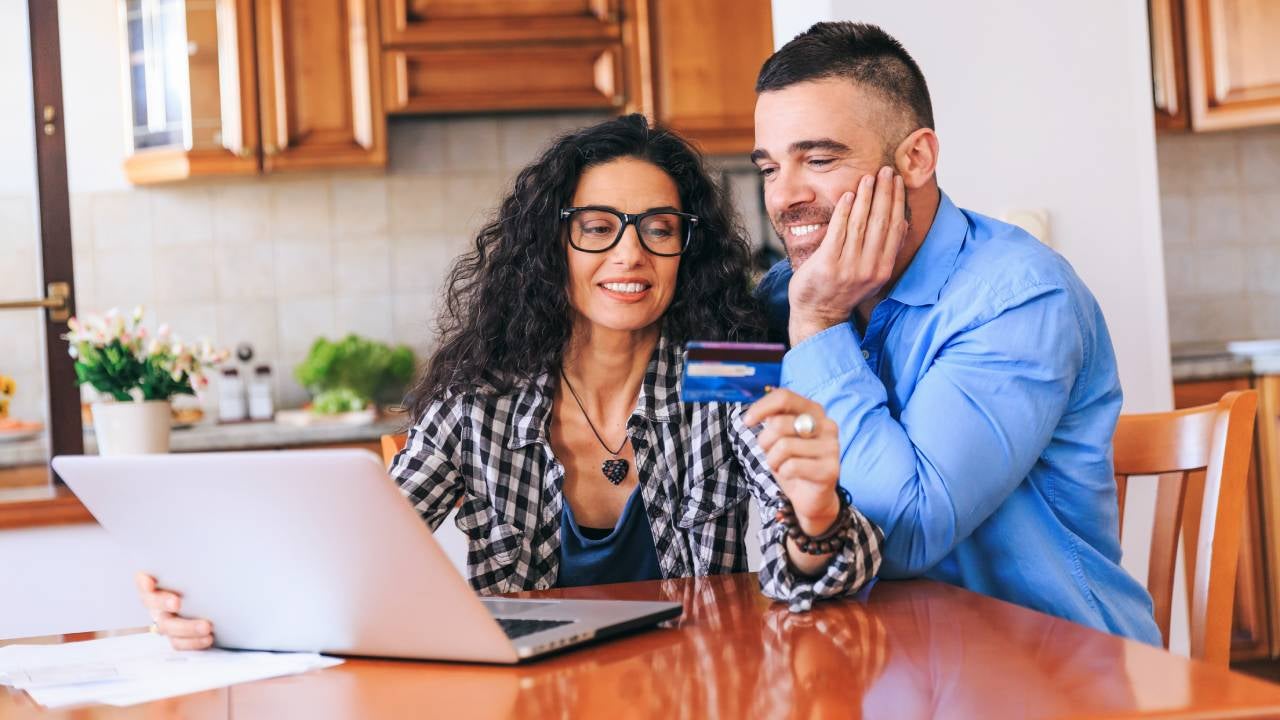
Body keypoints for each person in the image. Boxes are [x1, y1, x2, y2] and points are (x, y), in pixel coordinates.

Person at [137, 114, 883, 650]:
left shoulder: (728, 376)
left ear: (686, 249)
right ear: (551, 243)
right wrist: (210, 603)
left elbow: (816, 581)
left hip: (696, 692)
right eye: (598, 226)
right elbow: (355, 554)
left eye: (658, 228)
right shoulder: (479, 402)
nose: (630, 255)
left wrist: (816, 518)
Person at [743, 22, 1161, 644]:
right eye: (771, 168)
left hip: (1051, 676)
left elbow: (902, 534)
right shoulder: (786, 294)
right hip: (876, 668)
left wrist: (819, 325)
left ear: (916, 158)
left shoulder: (1020, 299)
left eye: (820, 159)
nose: (785, 197)